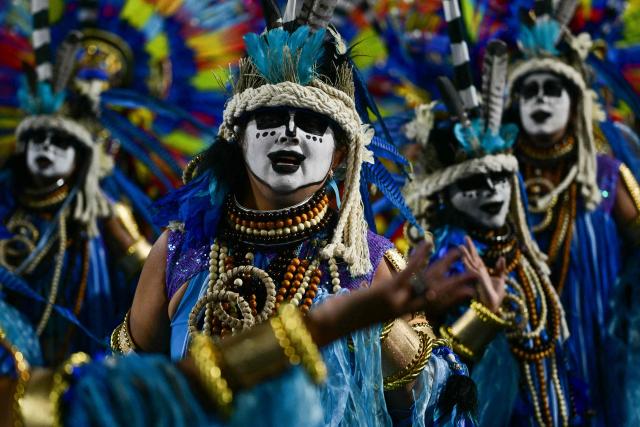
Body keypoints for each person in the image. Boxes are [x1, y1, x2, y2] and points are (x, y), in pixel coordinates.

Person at [115, 2, 481, 425]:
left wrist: (377, 323)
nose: (290, 132)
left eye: (311, 122)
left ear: (341, 153)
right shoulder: (179, 251)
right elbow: (126, 397)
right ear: (237, 138)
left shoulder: (371, 264)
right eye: (271, 118)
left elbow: (429, 411)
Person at [506, 1, 640, 424]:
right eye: (530, 90)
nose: (541, 98)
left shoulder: (606, 175)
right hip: (518, 367)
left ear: (575, 101)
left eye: (553, 89)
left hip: (600, 363)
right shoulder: (496, 182)